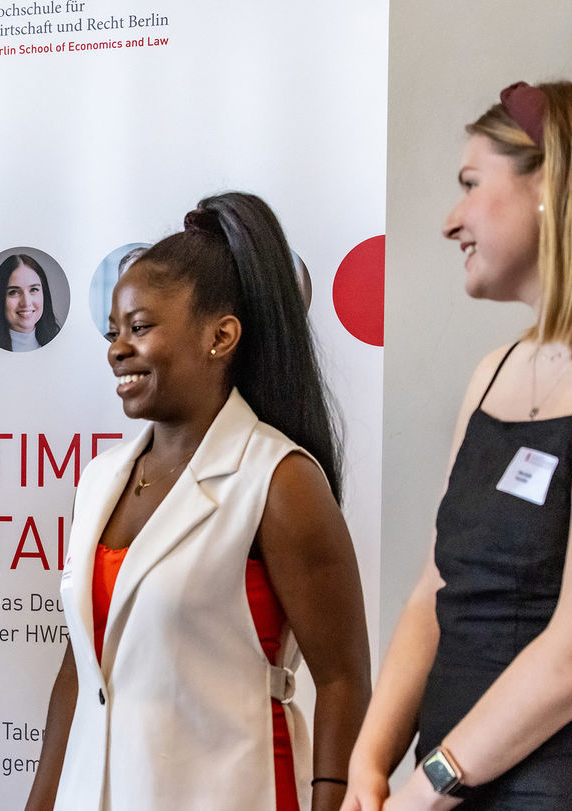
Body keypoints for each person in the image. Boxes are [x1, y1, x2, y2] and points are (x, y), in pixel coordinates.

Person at [25, 192, 371, 811]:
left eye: (140, 327)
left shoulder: (281, 480)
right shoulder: (99, 480)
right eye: (112, 332)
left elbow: (344, 680)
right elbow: (81, 668)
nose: (116, 348)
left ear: (221, 336)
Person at [343, 81, 572, 811]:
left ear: (551, 185)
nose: (452, 220)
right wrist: (371, 756)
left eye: (470, 184)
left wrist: (433, 783)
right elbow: (433, 590)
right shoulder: (493, 375)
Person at [0, 253, 62, 351]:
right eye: (13, 292)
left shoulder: (62, 349)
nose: (26, 302)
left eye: (33, 289)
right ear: (0, 299)